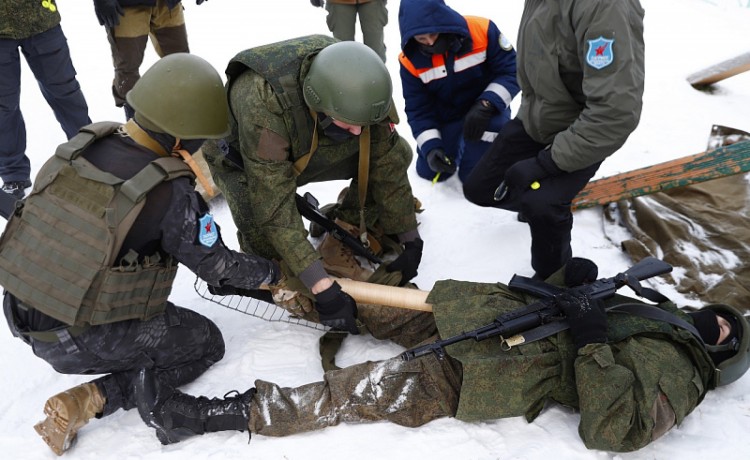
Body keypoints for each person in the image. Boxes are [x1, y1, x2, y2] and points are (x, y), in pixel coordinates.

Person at [134, 257, 750, 452]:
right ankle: (254, 284)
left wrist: (591, 339)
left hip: (489, 371)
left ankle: (204, 417)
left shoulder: (684, 370)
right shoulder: (653, 308)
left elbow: (616, 428)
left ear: (722, 362)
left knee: (353, 391)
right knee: (354, 302)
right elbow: (571, 306)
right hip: (482, 316)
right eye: (719, 317)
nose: (716, 326)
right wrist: (569, 282)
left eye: (725, 335)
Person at [0, 53, 280, 456]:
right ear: (183, 137)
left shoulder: (80, 149)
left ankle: (87, 394)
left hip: (24, 316)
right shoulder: (169, 190)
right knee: (206, 342)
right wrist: (274, 273)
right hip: (74, 337)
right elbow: (217, 266)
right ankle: (99, 397)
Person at [201, 36, 432, 344]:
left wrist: (408, 236)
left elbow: (387, 162)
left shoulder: (364, 89)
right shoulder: (263, 101)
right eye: (351, 124)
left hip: (315, 136)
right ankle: (285, 278)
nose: (358, 132)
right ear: (318, 100)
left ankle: (346, 224)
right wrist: (318, 284)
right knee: (269, 242)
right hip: (244, 159)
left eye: (362, 123)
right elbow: (273, 202)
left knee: (393, 154)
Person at [462, 0, 645, 280]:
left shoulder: (605, 7)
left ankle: (555, 276)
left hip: (585, 130)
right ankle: (535, 206)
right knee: (479, 188)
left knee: (542, 203)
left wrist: (545, 164)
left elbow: (615, 113)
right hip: (537, 118)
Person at [398, 0, 519, 183]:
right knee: (430, 171)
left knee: (474, 177)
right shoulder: (410, 61)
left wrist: (487, 104)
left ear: (442, 20)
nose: (430, 42)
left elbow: (513, 71)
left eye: (433, 34)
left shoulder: (482, 30)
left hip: (487, 112)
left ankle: (494, 149)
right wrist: (431, 148)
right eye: (421, 39)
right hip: (447, 117)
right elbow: (418, 110)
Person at [0, 0, 91, 199]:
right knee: (3, 106)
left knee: (65, 91)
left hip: (41, 19)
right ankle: (13, 174)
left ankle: (87, 153)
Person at [92, 0, 209, 119]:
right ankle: (135, 124)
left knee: (181, 63)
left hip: (167, 5)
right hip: (126, 7)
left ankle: (183, 119)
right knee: (128, 72)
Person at [309, 0, 389, 62]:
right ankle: (345, 82)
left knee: (376, 51)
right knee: (343, 51)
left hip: (373, 3)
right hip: (339, 2)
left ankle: (377, 81)